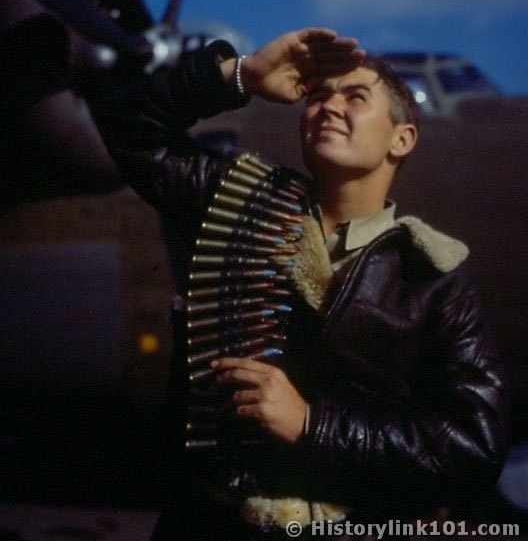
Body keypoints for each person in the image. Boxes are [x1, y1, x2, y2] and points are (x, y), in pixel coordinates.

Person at [95, 28, 508, 540]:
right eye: (317, 97)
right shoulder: (235, 200)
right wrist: (242, 74)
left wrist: (311, 425)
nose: (329, 106)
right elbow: (125, 123)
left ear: (402, 139)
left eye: (355, 97)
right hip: (209, 521)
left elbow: (474, 445)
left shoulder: (434, 277)